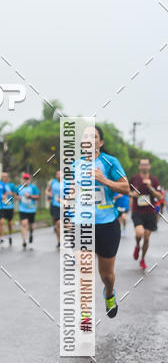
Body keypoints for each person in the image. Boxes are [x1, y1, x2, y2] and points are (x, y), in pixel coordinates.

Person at [73, 125, 129, 318]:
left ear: (100, 142)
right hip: (82, 224)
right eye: (86, 136)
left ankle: (109, 292)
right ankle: (85, 312)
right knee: (84, 267)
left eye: (94, 136)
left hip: (107, 224)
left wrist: (104, 180)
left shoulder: (110, 162)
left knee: (107, 275)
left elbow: (126, 188)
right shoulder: (75, 166)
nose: (90, 139)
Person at [129, 158, 164, 271]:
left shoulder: (154, 180)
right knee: (139, 233)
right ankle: (137, 246)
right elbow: (126, 191)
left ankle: (142, 259)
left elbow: (160, 197)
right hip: (137, 211)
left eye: (146, 164)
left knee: (147, 237)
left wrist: (150, 188)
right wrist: (132, 194)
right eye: (142, 164)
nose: (144, 166)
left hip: (150, 212)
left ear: (149, 166)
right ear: (139, 166)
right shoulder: (134, 178)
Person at [17, 173, 40, 249]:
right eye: (24, 179)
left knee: (31, 226)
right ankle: (24, 241)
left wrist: (30, 196)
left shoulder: (33, 188)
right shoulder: (19, 187)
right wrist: (18, 197)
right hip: (22, 209)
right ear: (22, 180)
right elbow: (16, 195)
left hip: (31, 209)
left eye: (27, 179)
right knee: (24, 224)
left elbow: (38, 196)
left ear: (29, 180)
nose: (26, 181)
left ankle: (31, 234)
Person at [0, 171, 16, 246]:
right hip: (1, 206)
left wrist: (10, 193)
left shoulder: (11, 185)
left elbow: (15, 194)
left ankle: (10, 235)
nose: (4, 178)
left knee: (9, 222)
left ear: (8, 177)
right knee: (1, 222)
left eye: (5, 176)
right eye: (2, 176)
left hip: (9, 206)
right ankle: (2, 237)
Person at [46, 170, 61, 248]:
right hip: (55, 205)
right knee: (58, 223)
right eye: (57, 174)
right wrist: (49, 194)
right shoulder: (52, 182)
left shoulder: (68, 182)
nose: (59, 175)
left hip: (66, 206)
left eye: (60, 174)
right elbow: (47, 191)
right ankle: (59, 241)